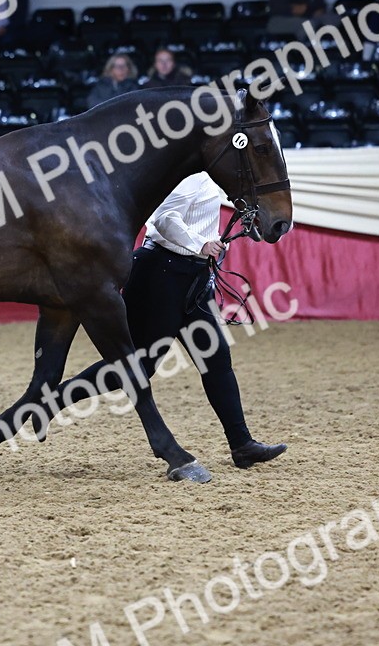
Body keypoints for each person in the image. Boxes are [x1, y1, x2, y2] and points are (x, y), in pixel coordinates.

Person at [49, 173, 287, 481]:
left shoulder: (208, 176)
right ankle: (56, 398)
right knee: (139, 365)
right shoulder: (189, 176)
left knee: (216, 361)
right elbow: (162, 219)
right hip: (162, 275)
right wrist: (201, 242)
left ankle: (241, 444)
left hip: (193, 279)